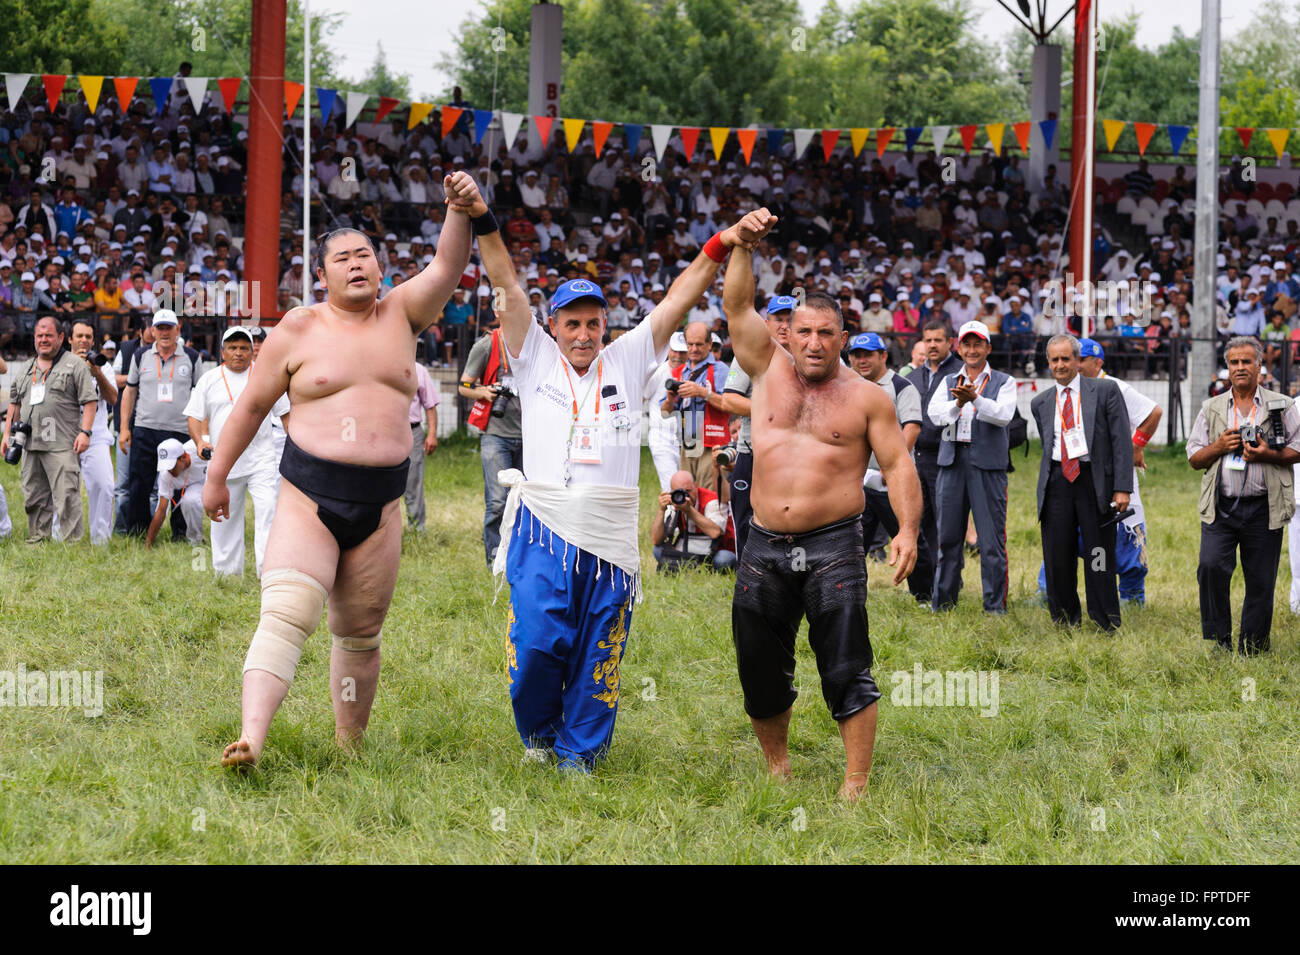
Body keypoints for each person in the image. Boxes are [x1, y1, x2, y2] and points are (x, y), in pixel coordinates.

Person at [470, 185, 759, 772]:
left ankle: (582, 755)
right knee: (537, 645)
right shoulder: (531, 356)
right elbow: (506, 285)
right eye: (571, 323)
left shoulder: (628, 357)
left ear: (607, 324)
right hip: (543, 527)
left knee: (599, 649)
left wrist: (723, 241)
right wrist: (482, 218)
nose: (582, 335)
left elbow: (680, 298)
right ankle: (540, 736)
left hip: (607, 538)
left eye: (592, 324)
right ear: (551, 325)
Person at [204, 171, 475, 769]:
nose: (356, 265)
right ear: (320, 275)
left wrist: (458, 210)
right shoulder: (298, 329)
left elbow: (447, 269)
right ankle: (251, 738)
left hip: (381, 505)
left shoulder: (403, 313)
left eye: (365, 256)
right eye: (342, 259)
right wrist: (217, 476)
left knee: (359, 632)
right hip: (310, 495)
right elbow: (251, 406)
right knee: (287, 611)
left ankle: (349, 745)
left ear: (380, 268)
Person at [724, 212, 921, 802]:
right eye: (802, 331)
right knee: (759, 663)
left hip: (834, 543)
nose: (813, 343)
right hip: (762, 543)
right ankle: (777, 766)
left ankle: (855, 783)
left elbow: (898, 467)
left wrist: (907, 528)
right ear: (787, 333)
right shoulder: (764, 369)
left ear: (843, 338)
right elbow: (736, 307)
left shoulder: (867, 398)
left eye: (825, 334)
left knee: (844, 664)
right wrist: (741, 245)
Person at [1187, 336, 1300, 654]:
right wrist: (1218, 447)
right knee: (1210, 567)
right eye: (1234, 362)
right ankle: (1219, 640)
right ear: (1227, 367)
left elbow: (1298, 447)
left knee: (1261, 578)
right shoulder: (1212, 408)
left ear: (1259, 366)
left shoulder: (1281, 404)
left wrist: (1267, 455)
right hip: (1221, 506)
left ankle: (1253, 646)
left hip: (1264, 506)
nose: (1240, 368)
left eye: (1246, 361)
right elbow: (1194, 458)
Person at [1036, 338, 1164, 605]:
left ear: (1098, 363)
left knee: (1120, 541)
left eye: (1080, 359)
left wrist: (1136, 447)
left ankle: (1129, 596)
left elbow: (1154, 411)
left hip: (1109, 478)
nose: (1075, 365)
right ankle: (1047, 591)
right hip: (1073, 479)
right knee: (1062, 537)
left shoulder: (1113, 387)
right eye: (1071, 359)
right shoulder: (1060, 392)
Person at [1030, 335, 1133, 631]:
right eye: (1054, 360)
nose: (1060, 365)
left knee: (1098, 554)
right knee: (1057, 554)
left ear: (1077, 361)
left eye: (1066, 359)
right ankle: (1064, 618)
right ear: (1048, 363)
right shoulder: (1041, 402)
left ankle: (1105, 620)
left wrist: (1122, 486)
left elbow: (1121, 441)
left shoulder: (1103, 390)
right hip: (1057, 483)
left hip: (1093, 482)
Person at [927, 320, 1018, 613]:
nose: (972, 349)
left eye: (978, 343)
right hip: (952, 462)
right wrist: (959, 404)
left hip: (987, 465)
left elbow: (1004, 416)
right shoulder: (949, 379)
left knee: (991, 541)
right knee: (948, 538)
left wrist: (975, 398)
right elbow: (935, 415)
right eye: (966, 343)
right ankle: (943, 604)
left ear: (988, 348)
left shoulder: (1004, 381)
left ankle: (994, 608)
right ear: (958, 347)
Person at [184, 326, 289, 577]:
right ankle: (227, 575)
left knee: (268, 512)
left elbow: (285, 415)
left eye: (244, 348)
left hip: (262, 458)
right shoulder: (210, 379)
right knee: (224, 518)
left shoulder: (265, 377)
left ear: (253, 351)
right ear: (222, 352)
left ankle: (269, 573)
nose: (239, 353)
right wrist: (200, 442)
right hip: (224, 461)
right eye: (233, 348)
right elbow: (194, 417)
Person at [1, 316, 98, 542]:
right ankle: (38, 540)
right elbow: (14, 403)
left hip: (61, 445)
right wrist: (7, 435)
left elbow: (90, 401)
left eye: (48, 335)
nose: (43, 340)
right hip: (30, 445)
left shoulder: (75, 365)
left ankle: (72, 544)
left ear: (61, 337)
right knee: (34, 496)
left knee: (66, 496)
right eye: (39, 336)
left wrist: (86, 432)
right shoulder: (26, 368)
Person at [847, 332, 925, 598]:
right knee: (852, 543)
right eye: (856, 355)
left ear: (883, 356)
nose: (862, 360)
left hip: (888, 479)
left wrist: (889, 466)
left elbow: (912, 428)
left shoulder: (901, 386)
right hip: (855, 480)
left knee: (908, 535)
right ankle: (848, 595)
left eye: (868, 354)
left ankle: (924, 596)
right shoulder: (845, 386)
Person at [720, 294, 793, 562]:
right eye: (779, 319)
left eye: (791, 319)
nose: (785, 325)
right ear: (766, 323)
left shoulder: (809, 356)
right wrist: (770, 409)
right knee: (745, 516)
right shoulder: (749, 353)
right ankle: (746, 574)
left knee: (788, 517)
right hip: (753, 451)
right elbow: (729, 399)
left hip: (795, 453)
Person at [119, 309, 201, 540]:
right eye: (160, 328)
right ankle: (137, 531)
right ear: (152, 331)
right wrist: (125, 428)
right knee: (139, 483)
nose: (164, 333)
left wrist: (200, 434)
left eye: (169, 328)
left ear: (178, 329)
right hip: (146, 429)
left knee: (181, 483)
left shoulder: (193, 357)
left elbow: (200, 396)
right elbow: (130, 392)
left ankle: (181, 533)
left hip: (181, 431)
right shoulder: (140, 355)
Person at [459, 315, 523, 564]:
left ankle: (520, 556)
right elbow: (464, 385)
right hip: (496, 434)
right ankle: (495, 559)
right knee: (498, 500)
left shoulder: (536, 346)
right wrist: (482, 392)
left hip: (531, 434)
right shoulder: (487, 344)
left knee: (527, 500)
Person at [910, 320, 961, 605]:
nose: (932, 345)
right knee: (923, 522)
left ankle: (950, 585)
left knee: (947, 525)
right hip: (918, 458)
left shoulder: (959, 373)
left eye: (938, 340)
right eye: (927, 340)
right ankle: (928, 588)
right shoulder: (914, 377)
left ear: (950, 342)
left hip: (949, 456)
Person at [660, 319, 729, 496]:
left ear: (709, 344)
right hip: (688, 439)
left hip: (712, 440)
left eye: (699, 344)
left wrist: (702, 392)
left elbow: (729, 404)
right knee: (686, 493)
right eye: (690, 344)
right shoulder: (679, 372)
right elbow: (665, 412)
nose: (694, 349)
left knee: (710, 494)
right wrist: (670, 398)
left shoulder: (720, 369)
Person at [68, 319, 118, 545]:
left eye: (88, 337)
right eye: (79, 336)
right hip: (65, 435)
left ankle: (101, 541)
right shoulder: (60, 362)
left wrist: (96, 372)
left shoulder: (102, 364)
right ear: (69, 339)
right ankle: (63, 539)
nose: (84, 341)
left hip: (96, 435)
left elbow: (113, 398)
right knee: (62, 489)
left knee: (104, 486)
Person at [650, 469, 736, 570]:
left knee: (724, 559)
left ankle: (689, 566)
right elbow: (656, 540)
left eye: (687, 491)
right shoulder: (674, 500)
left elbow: (715, 532)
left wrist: (688, 510)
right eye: (678, 492)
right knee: (657, 550)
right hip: (688, 548)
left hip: (715, 550)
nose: (684, 496)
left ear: (695, 486)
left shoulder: (712, 500)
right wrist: (661, 511)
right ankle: (692, 565)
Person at [402, 350, 440, 532]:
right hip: (386, 434)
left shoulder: (419, 370)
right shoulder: (379, 369)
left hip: (413, 432)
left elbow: (430, 405)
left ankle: (417, 530)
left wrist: (432, 433)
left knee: (413, 482)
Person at [646, 332, 688, 492]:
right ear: (668, 350)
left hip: (688, 439)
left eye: (682, 352)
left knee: (689, 488)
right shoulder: (657, 372)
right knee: (672, 488)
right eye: (674, 350)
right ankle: (670, 516)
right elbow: (641, 398)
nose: (678, 355)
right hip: (662, 437)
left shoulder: (692, 372)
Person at [145, 437, 206, 547]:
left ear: (183, 457)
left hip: (219, 477)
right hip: (198, 484)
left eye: (172, 466)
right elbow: (161, 510)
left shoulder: (200, 448)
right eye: (166, 466)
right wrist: (148, 544)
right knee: (189, 501)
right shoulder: (166, 475)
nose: (170, 471)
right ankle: (197, 540)